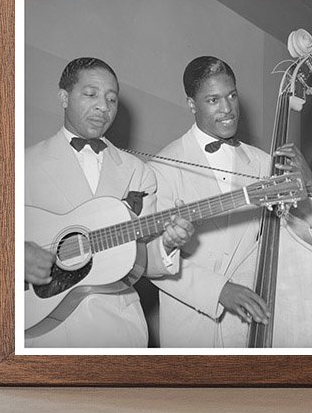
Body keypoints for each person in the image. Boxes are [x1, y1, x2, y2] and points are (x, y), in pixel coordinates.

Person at [151, 56, 312, 348]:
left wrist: (306, 186)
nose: (228, 109)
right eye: (213, 100)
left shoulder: (263, 161)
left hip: (251, 321)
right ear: (192, 104)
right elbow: (153, 258)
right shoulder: (161, 167)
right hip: (192, 326)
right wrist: (220, 291)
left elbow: (295, 230)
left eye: (232, 95)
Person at [22, 57, 194, 348]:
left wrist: (168, 244)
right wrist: (16, 255)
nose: (103, 106)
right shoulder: (23, 163)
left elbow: (146, 260)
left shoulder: (138, 171)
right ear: (64, 97)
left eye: (111, 99)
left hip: (118, 329)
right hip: (43, 331)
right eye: (91, 95)